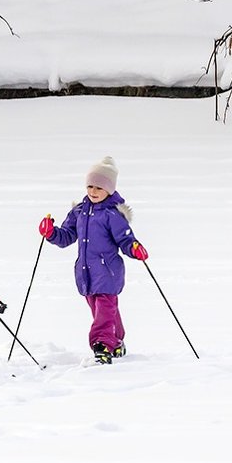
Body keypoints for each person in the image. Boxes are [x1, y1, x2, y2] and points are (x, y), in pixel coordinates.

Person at [38, 156, 149, 365]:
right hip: (86, 273)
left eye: (99, 187)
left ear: (109, 189)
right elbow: (66, 236)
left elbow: (125, 239)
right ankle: (116, 342)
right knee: (101, 311)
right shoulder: (79, 211)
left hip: (108, 273)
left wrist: (134, 248)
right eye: (90, 186)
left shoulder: (112, 214)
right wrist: (51, 232)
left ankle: (102, 346)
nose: (93, 191)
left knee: (103, 313)